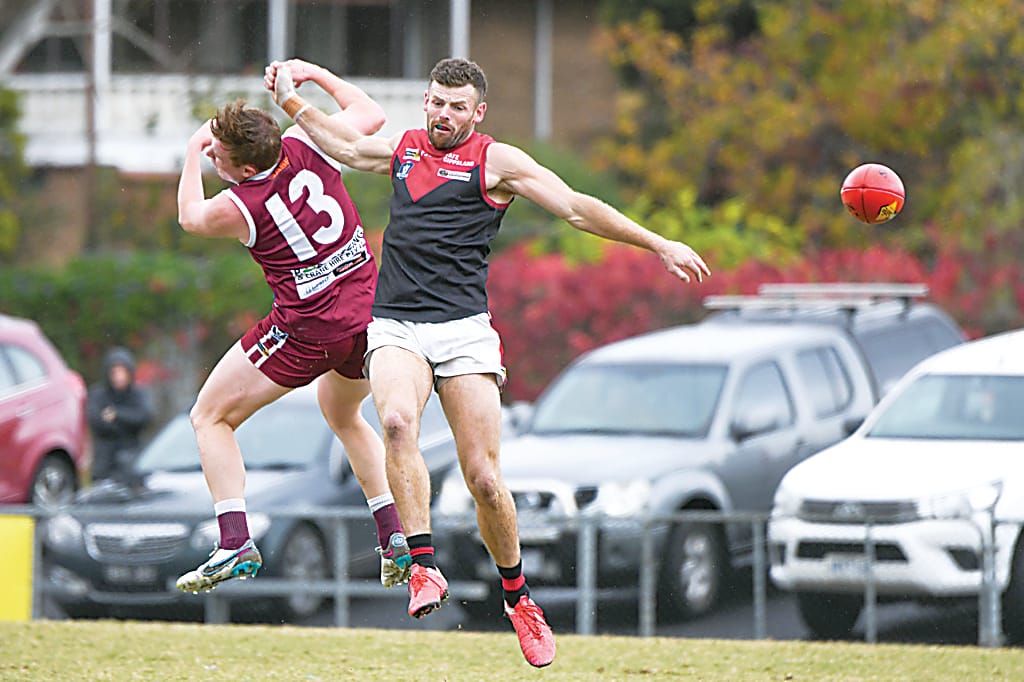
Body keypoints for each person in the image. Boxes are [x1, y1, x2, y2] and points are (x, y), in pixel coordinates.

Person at [266, 57, 711, 668]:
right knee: (395, 422)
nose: (442, 115)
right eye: (435, 103)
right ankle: (423, 567)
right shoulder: (403, 149)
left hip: (464, 333)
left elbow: (577, 207)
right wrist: (292, 99)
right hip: (395, 322)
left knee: (484, 478)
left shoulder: (496, 162)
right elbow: (343, 140)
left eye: (456, 107)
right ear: (425, 102)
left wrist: (659, 243)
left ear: (477, 113)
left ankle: (519, 598)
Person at [173, 61, 411, 596]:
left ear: (240, 168)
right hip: (366, 314)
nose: (215, 160)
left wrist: (192, 151)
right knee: (343, 412)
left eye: (220, 158)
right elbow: (369, 112)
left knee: (209, 417)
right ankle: (394, 536)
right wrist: (313, 74)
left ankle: (234, 541)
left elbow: (190, 217)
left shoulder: (241, 203)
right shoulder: (309, 140)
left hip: (310, 327)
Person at [86, 346, 155, 485]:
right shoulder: (98, 395)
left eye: (123, 372)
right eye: (115, 372)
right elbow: (96, 422)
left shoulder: (138, 394)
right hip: (104, 463)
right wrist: (126, 423)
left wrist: (117, 415)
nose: (119, 377)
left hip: (133, 458)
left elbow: (144, 417)